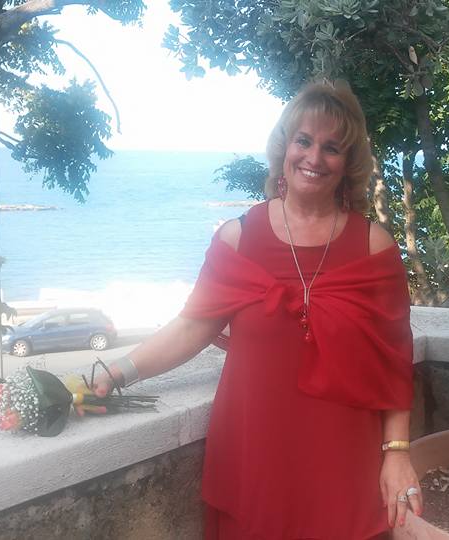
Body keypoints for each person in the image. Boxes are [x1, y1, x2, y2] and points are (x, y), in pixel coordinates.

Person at [96, 80, 420, 539]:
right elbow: (191, 326)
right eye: (304, 141)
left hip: (345, 464)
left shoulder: (373, 247)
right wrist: (116, 373)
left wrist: (398, 452)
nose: (313, 157)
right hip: (256, 461)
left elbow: (393, 363)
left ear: (348, 163)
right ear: (284, 147)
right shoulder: (238, 238)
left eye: (331, 148)